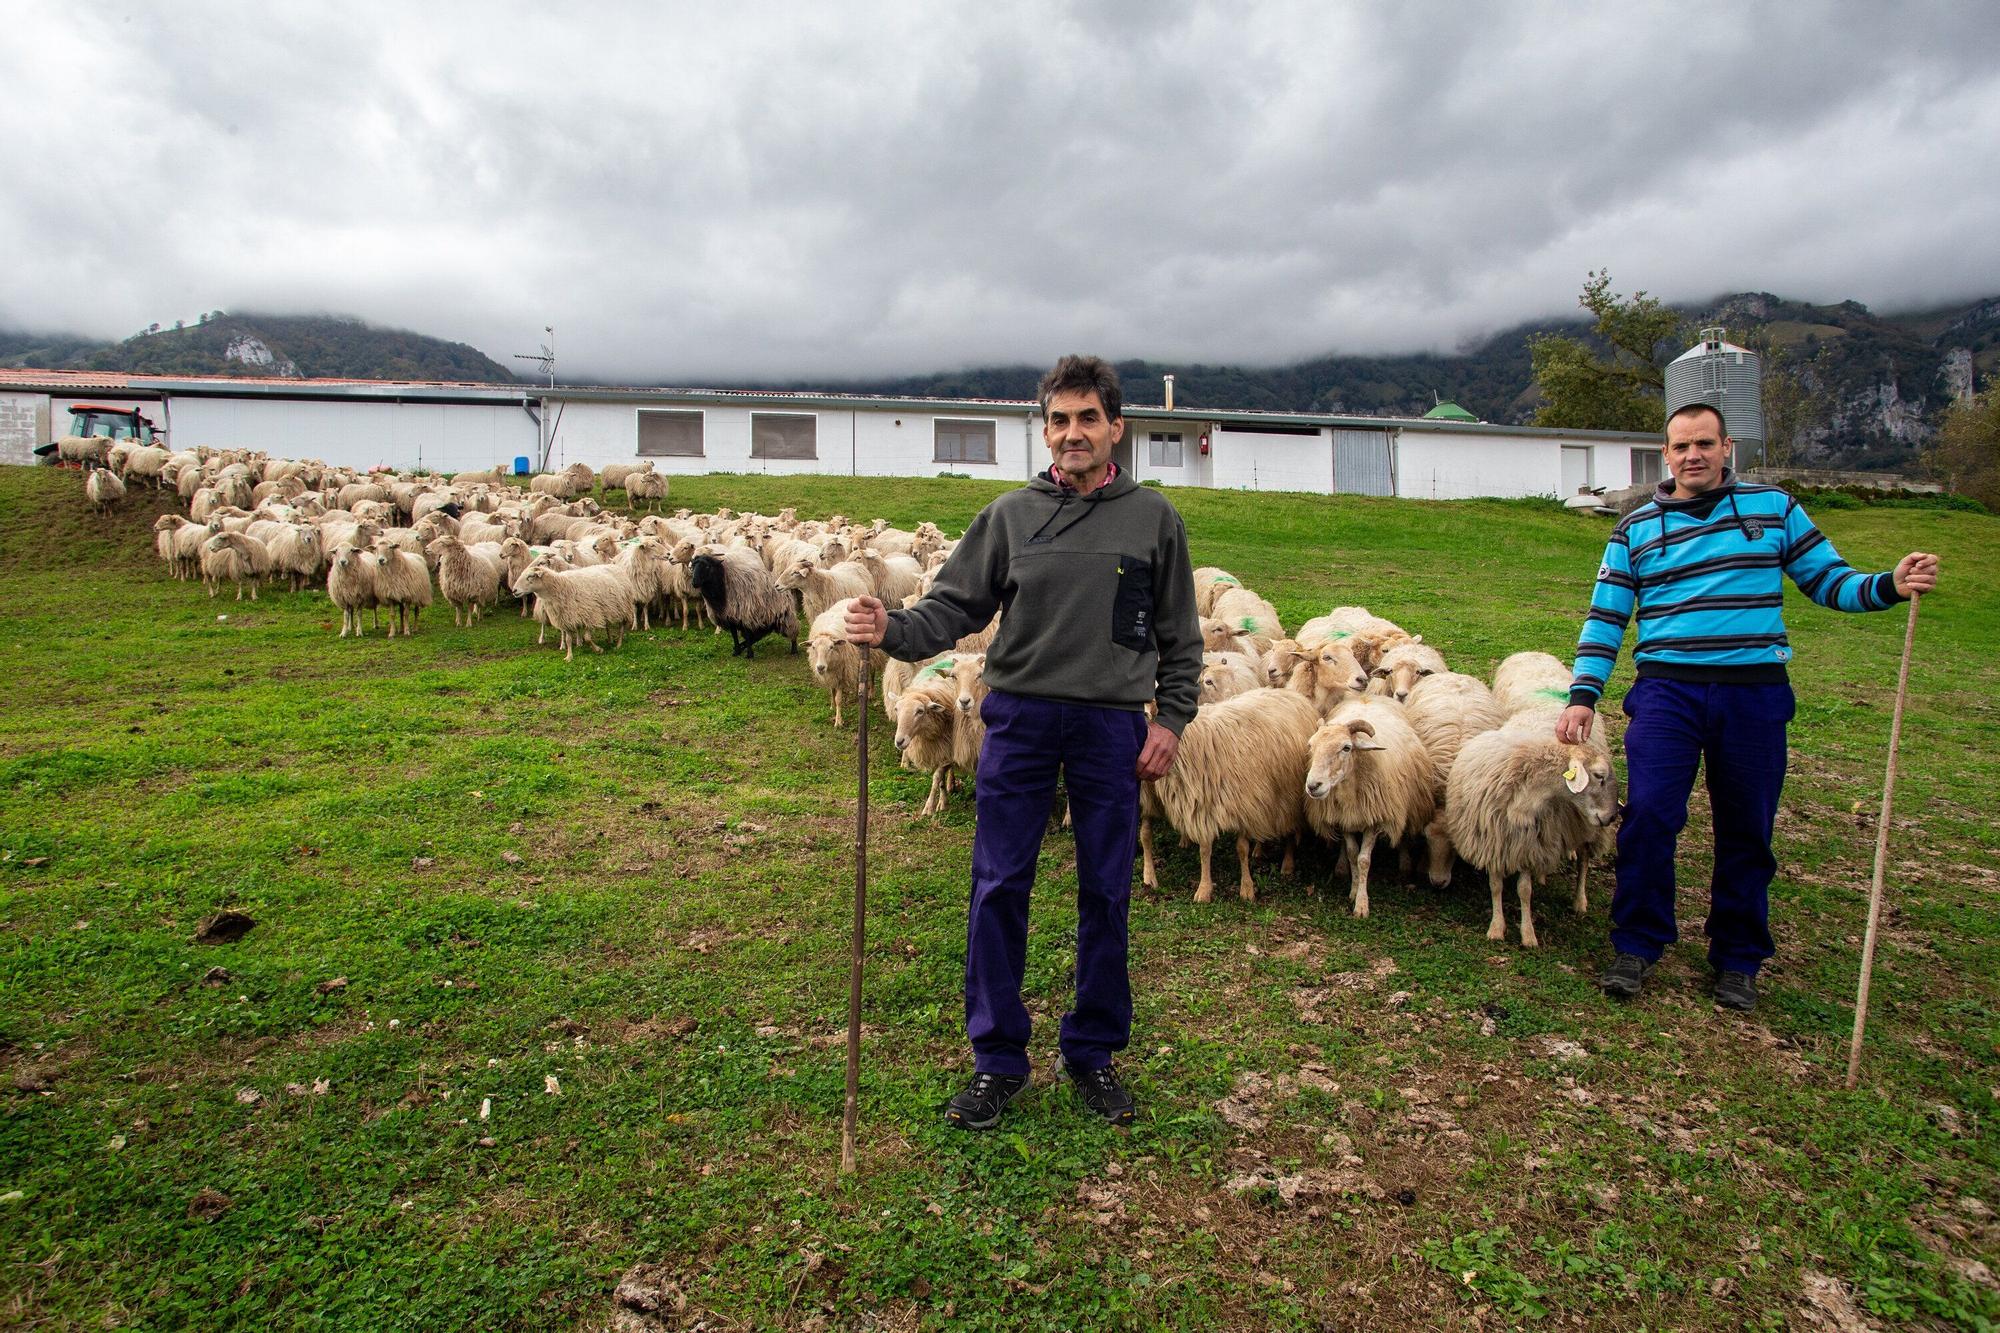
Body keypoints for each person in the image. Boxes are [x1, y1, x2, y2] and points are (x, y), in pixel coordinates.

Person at [844, 354, 1203, 1128]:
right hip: (1021, 719)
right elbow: (950, 606)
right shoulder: (1010, 516)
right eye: (1059, 420)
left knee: (1106, 890)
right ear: (1045, 429)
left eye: (1087, 419)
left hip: (1111, 724)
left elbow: (1181, 635)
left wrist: (1170, 721)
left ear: (1116, 427)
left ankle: (1093, 1052)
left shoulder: (1154, 519)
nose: (1072, 434)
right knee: (1000, 884)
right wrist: (893, 628)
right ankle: (997, 1058)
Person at [1558, 401, 1940, 1012]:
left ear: (1727, 446)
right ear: (1667, 452)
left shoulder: (1775, 509)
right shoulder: (1637, 528)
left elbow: (1828, 581)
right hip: (1667, 693)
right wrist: (1584, 694)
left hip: (1754, 694)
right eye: (1681, 446)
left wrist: (1889, 586)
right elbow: (1607, 617)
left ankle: (1738, 957)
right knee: (1651, 817)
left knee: (1747, 827)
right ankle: (1636, 942)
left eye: (1704, 444)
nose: (1692, 456)